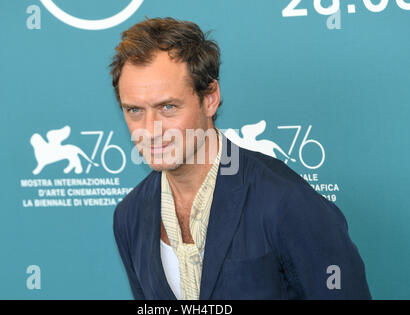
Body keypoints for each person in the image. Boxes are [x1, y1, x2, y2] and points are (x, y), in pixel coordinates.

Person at [110, 17, 371, 300]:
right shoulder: (130, 216)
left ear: (210, 98)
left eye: (168, 107)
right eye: (134, 110)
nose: (150, 130)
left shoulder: (284, 201)